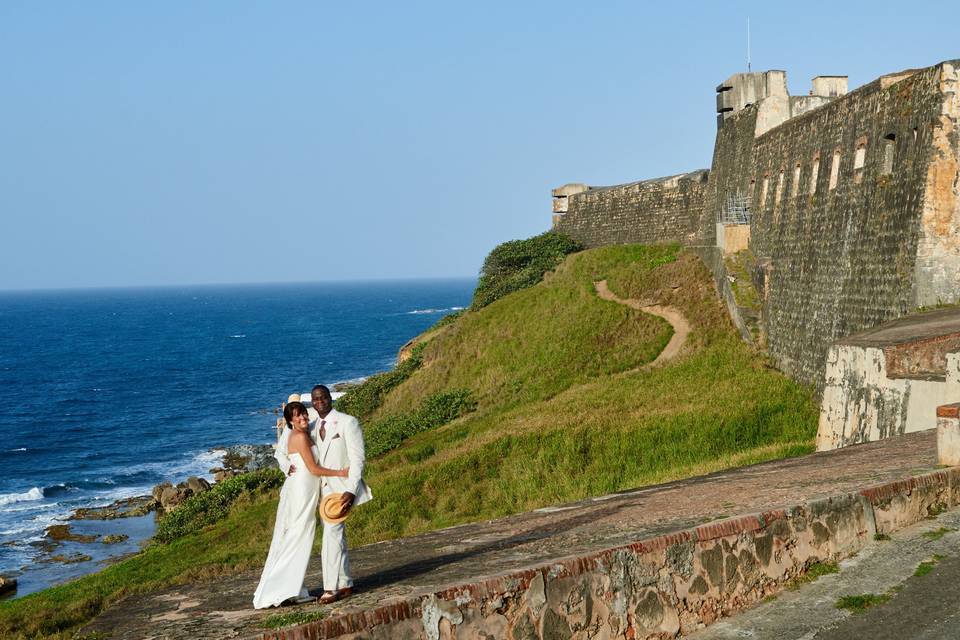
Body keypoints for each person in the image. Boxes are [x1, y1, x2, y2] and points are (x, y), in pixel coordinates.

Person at [252, 401, 350, 609]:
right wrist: (341, 473)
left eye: (304, 413)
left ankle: (291, 588)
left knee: (300, 536)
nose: (303, 418)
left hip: (307, 488)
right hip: (302, 489)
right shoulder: (297, 436)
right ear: (289, 421)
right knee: (298, 536)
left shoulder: (304, 433)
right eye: (297, 416)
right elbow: (314, 468)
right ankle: (283, 589)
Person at [305, 384, 372, 605]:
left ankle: (329, 588)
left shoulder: (347, 422)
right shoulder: (312, 426)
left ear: (330, 398)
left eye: (323, 397)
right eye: (315, 399)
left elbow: (357, 459)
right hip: (323, 492)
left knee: (331, 537)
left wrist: (351, 490)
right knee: (337, 536)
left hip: (343, 490)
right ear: (312, 402)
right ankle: (345, 582)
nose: (319, 401)